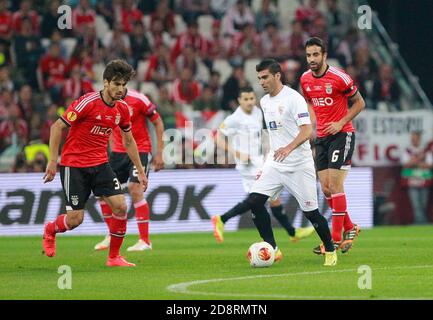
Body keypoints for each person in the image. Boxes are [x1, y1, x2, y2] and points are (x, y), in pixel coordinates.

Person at [42, 60, 147, 267]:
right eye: (116, 84)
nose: (121, 89)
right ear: (105, 82)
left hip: (100, 164)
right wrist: (53, 161)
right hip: (74, 165)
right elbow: (56, 127)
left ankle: (114, 257)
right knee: (75, 220)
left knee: (121, 206)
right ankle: (50, 229)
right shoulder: (87, 103)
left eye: (124, 85)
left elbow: (128, 140)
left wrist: (141, 171)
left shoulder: (123, 110)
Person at [247, 58, 336, 266]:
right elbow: (274, 132)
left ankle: (330, 249)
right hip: (276, 163)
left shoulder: (294, 98)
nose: (261, 82)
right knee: (254, 201)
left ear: (277, 76)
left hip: (299, 164)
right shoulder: (264, 101)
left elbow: (307, 130)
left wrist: (288, 148)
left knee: (311, 213)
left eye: (265, 77)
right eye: (259, 78)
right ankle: (273, 248)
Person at [212, 86, 315, 243]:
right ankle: (223, 219)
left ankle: (291, 232)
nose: (249, 102)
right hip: (246, 165)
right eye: (245, 99)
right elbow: (218, 138)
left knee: (272, 199)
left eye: (252, 98)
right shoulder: (234, 119)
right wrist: (237, 153)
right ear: (239, 100)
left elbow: (261, 135)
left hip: (259, 160)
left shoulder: (258, 112)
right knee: (258, 199)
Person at [300, 37, 365, 255]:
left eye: (316, 54)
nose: (312, 59)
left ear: (324, 55)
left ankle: (334, 240)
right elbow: (309, 101)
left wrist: (340, 122)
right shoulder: (305, 79)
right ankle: (350, 227)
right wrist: (312, 124)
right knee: (326, 188)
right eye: (309, 55)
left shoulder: (339, 78)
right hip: (321, 137)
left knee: (336, 186)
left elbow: (360, 103)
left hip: (342, 134)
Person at [94, 88, 165, 251]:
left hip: (139, 149)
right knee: (103, 193)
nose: (117, 87)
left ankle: (145, 240)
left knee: (135, 188)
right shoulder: (105, 99)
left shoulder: (140, 99)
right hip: (117, 153)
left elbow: (158, 122)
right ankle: (111, 234)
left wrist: (160, 153)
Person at [401, 131, 433, 224]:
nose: (413, 140)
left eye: (415, 138)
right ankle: (421, 223)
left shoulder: (425, 150)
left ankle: (419, 222)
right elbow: (405, 164)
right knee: (415, 204)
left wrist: (414, 163)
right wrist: (419, 160)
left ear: (419, 139)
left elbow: (429, 165)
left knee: (423, 204)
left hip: (424, 180)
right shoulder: (407, 150)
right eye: (412, 138)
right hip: (412, 180)